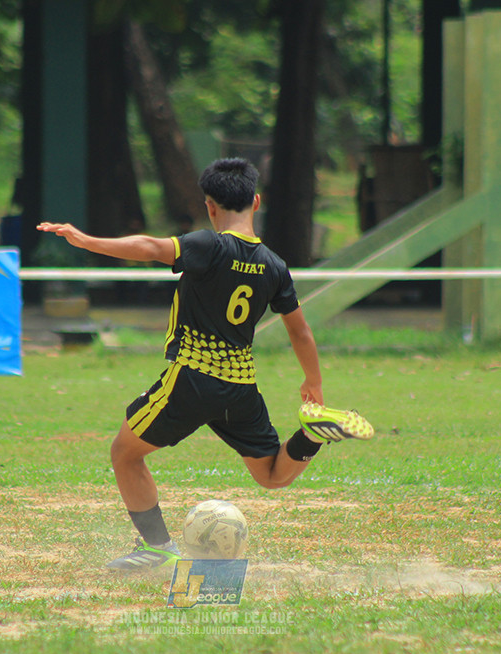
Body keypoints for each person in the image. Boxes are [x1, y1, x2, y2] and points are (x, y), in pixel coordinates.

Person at [38, 158, 373, 572]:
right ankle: (311, 436)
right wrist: (313, 383)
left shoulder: (206, 245)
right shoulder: (274, 265)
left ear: (211, 206)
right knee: (271, 475)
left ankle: (159, 547)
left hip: (192, 379)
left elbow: (148, 248)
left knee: (125, 453)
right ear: (256, 201)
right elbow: (301, 332)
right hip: (241, 386)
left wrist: (86, 240)